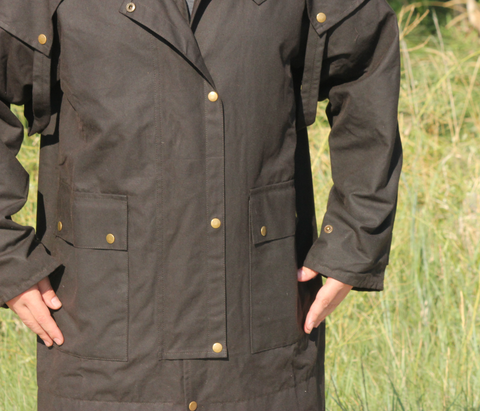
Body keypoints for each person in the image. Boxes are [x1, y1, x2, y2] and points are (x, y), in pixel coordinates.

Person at [0, 0, 402, 409]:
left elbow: (364, 53)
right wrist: (7, 256)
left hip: (259, 317)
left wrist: (353, 239)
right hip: (100, 323)